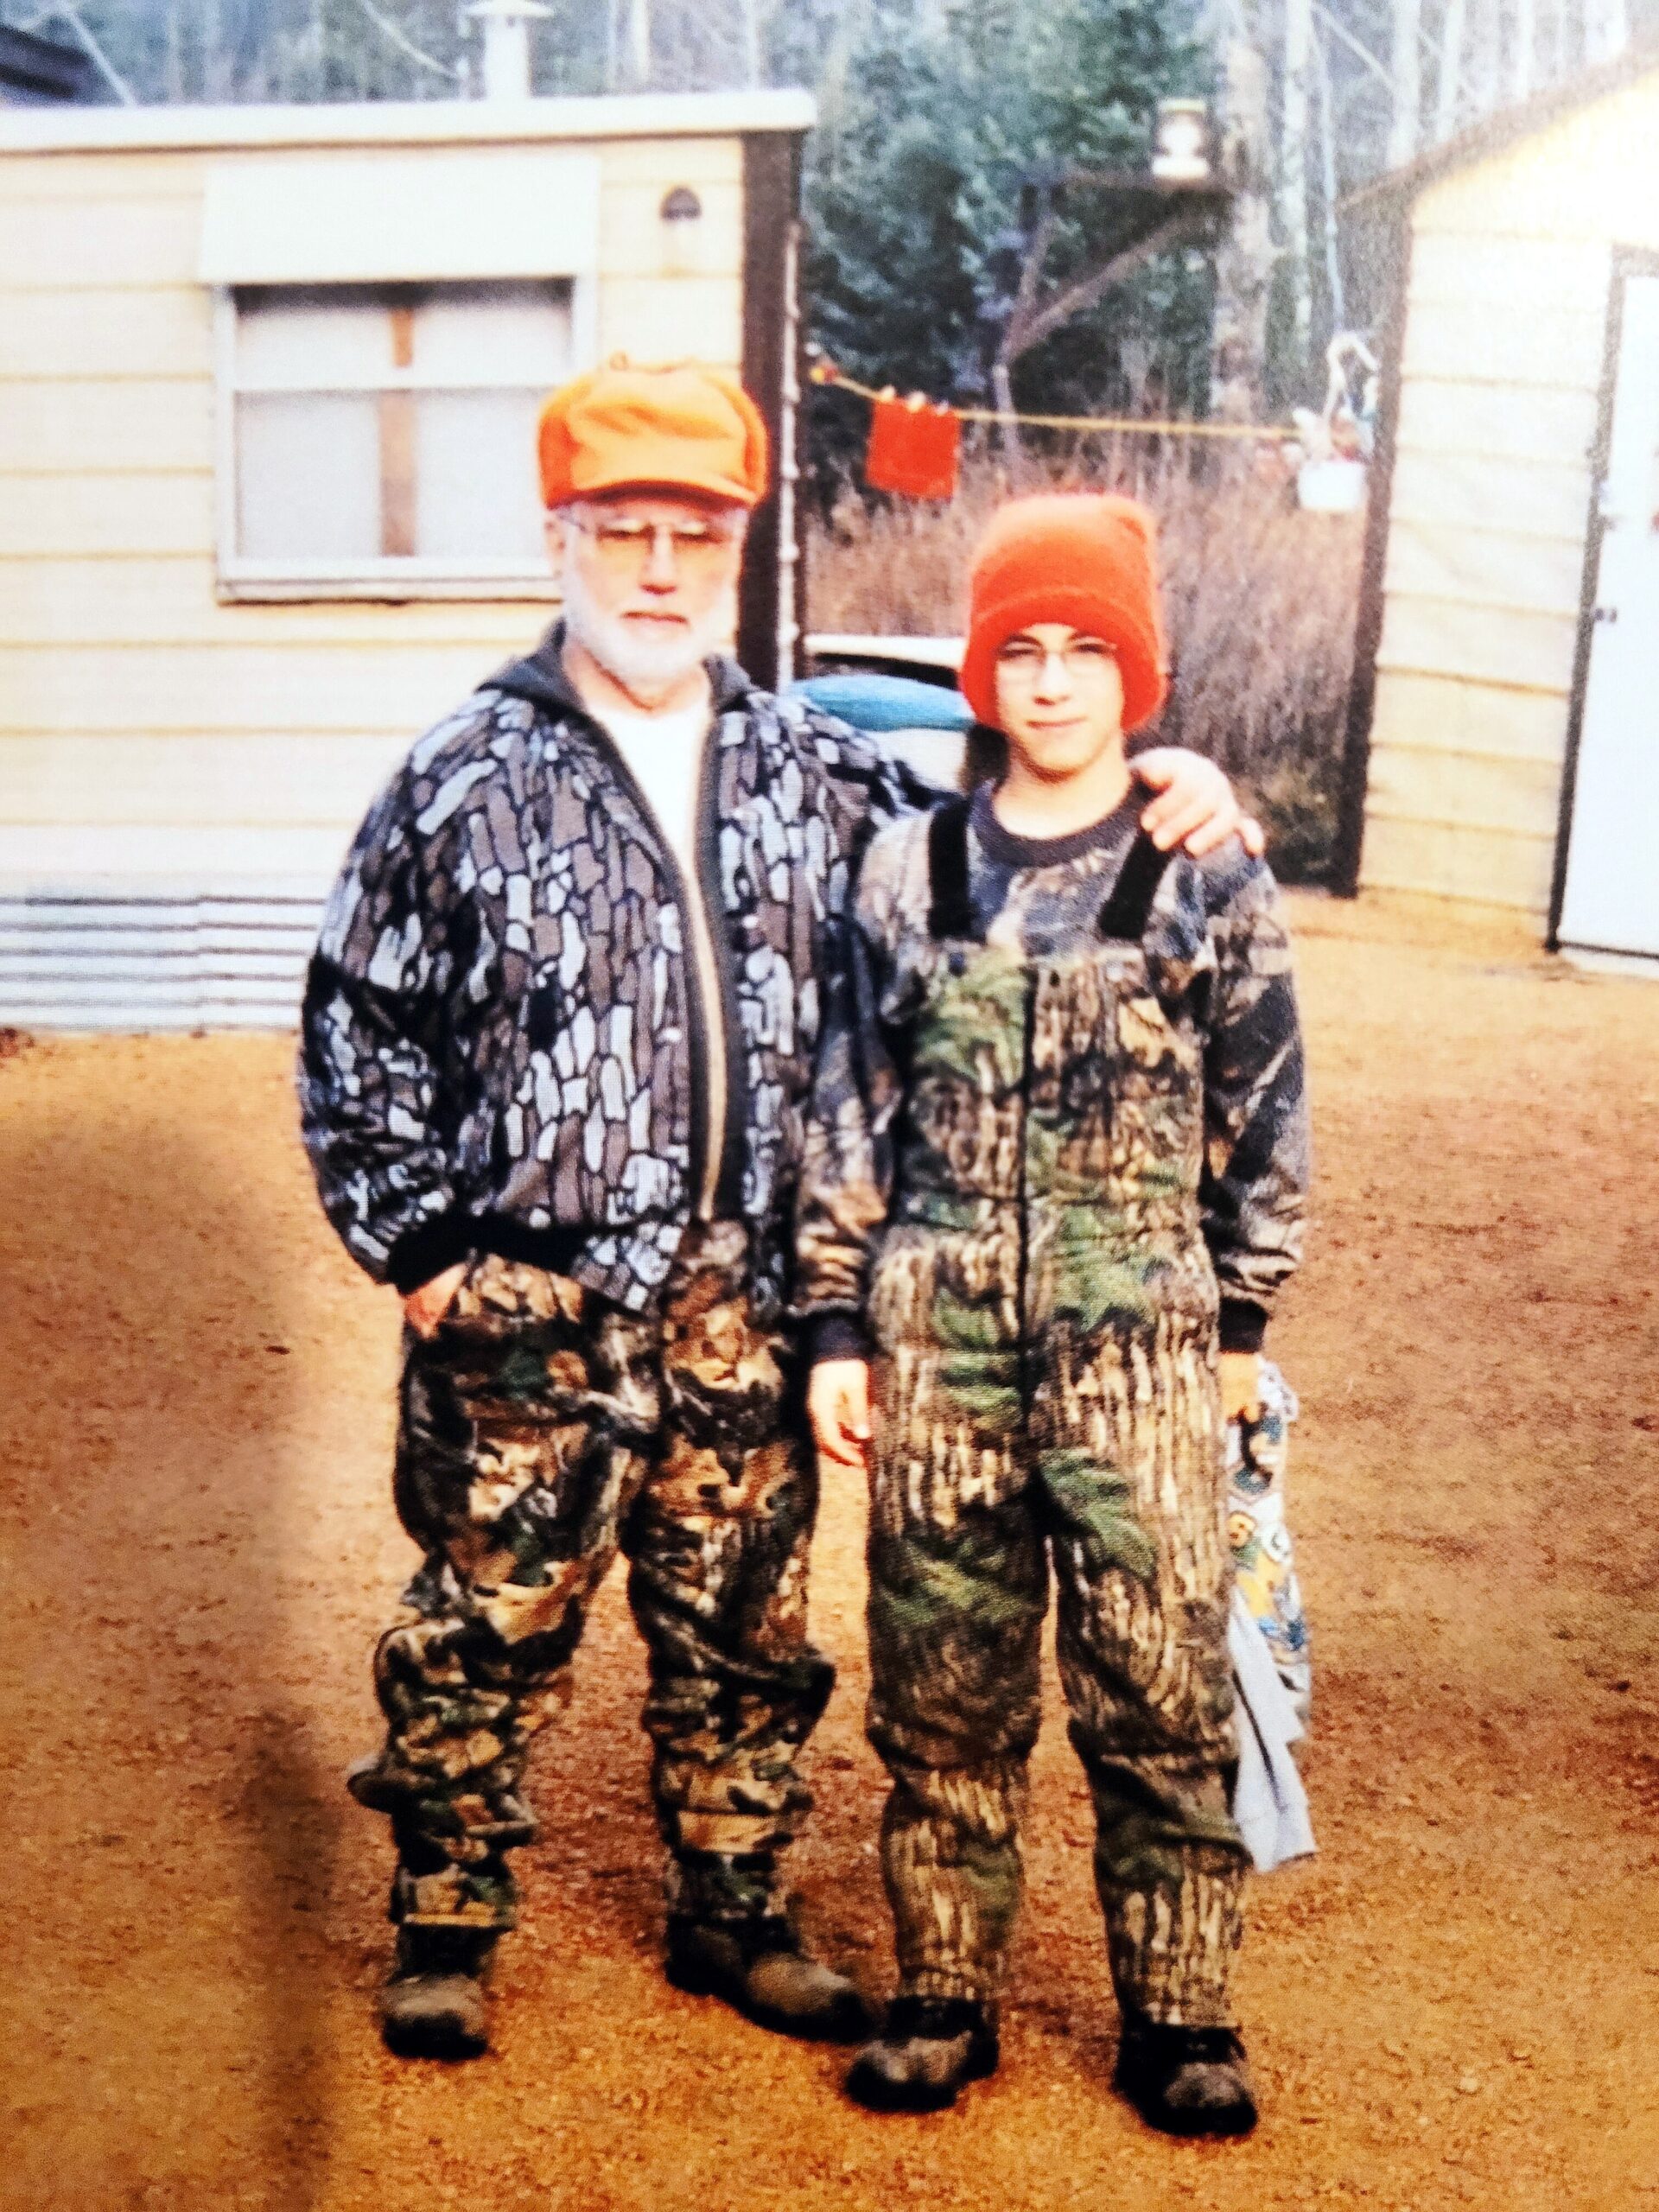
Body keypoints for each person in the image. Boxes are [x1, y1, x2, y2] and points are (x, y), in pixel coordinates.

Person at [296, 362, 1257, 2063]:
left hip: (745, 1300)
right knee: (482, 1625)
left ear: (737, 548)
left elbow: (1019, 832)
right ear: (561, 536)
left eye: (696, 534)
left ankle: (731, 1906)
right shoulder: (458, 776)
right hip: (529, 1303)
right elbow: (356, 1022)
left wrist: (1174, 777)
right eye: (624, 531)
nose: (660, 568)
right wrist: (425, 1252)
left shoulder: (821, 769)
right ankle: (445, 1915)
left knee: (743, 1629)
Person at [798, 493, 1310, 2136]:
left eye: (1089, 648)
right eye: (1019, 648)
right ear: (981, 671)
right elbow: (849, 1107)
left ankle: (1183, 2016)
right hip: (939, 1345)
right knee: (941, 1686)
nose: (1052, 680)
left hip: (1140, 1352)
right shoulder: (907, 867)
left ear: (1135, 671)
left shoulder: (1206, 868)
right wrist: (836, 1329)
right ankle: (944, 1995)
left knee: (1158, 1689)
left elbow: (1268, 1107)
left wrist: (1240, 1328)